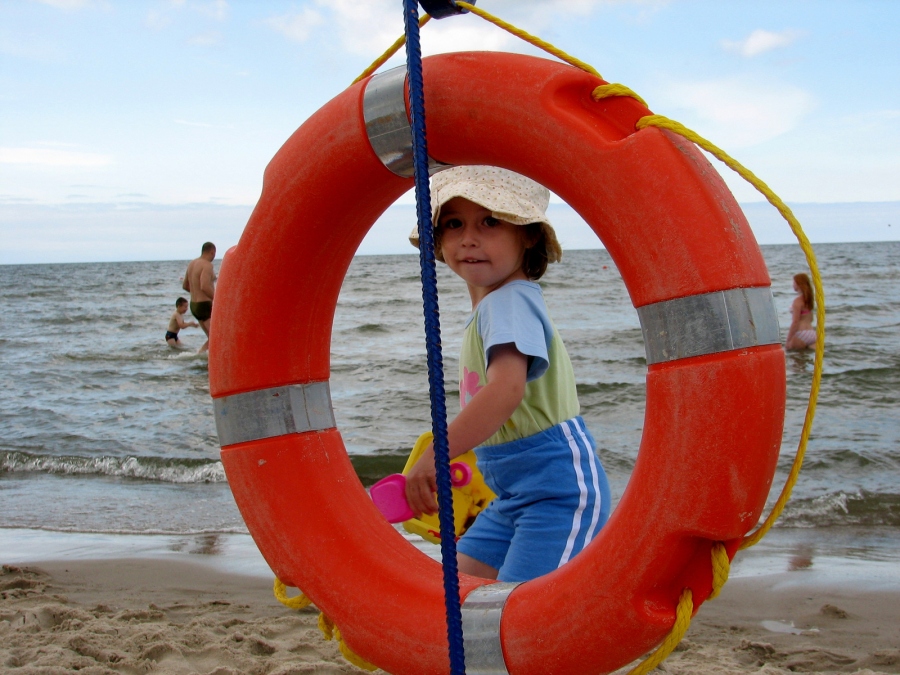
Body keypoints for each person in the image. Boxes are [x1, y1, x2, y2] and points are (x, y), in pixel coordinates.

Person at [404, 166, 608, 583]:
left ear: (528, 234)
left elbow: (506, 390)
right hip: (512, 496)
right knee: (456, 596)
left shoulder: (509, 302)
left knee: (526, 615)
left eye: (490, 222)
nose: (469, 238)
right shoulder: (494, 307)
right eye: (454, 224)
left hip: (558, 496)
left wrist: (435, 458)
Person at [183, 242, 216, 353]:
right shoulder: (207, 265)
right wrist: (217, 299)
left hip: (194, 305)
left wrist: (196, 294)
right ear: (212, 252)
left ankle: (200, 355)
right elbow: (204, 286)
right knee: (216, 337)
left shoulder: (192, 264)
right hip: (204, 305)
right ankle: (202, 356)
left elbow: (185, 286)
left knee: (212, 338)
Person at [786, 272, 816, 351]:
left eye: (794, 283)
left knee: (794, 359)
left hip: (801, 334)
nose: (793, 285)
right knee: (806, 360)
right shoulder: (809, 300)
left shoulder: (797, 301)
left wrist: (788, 339)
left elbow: (795, 322)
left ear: (799, 284)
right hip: (812, 333)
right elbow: (811, 319)